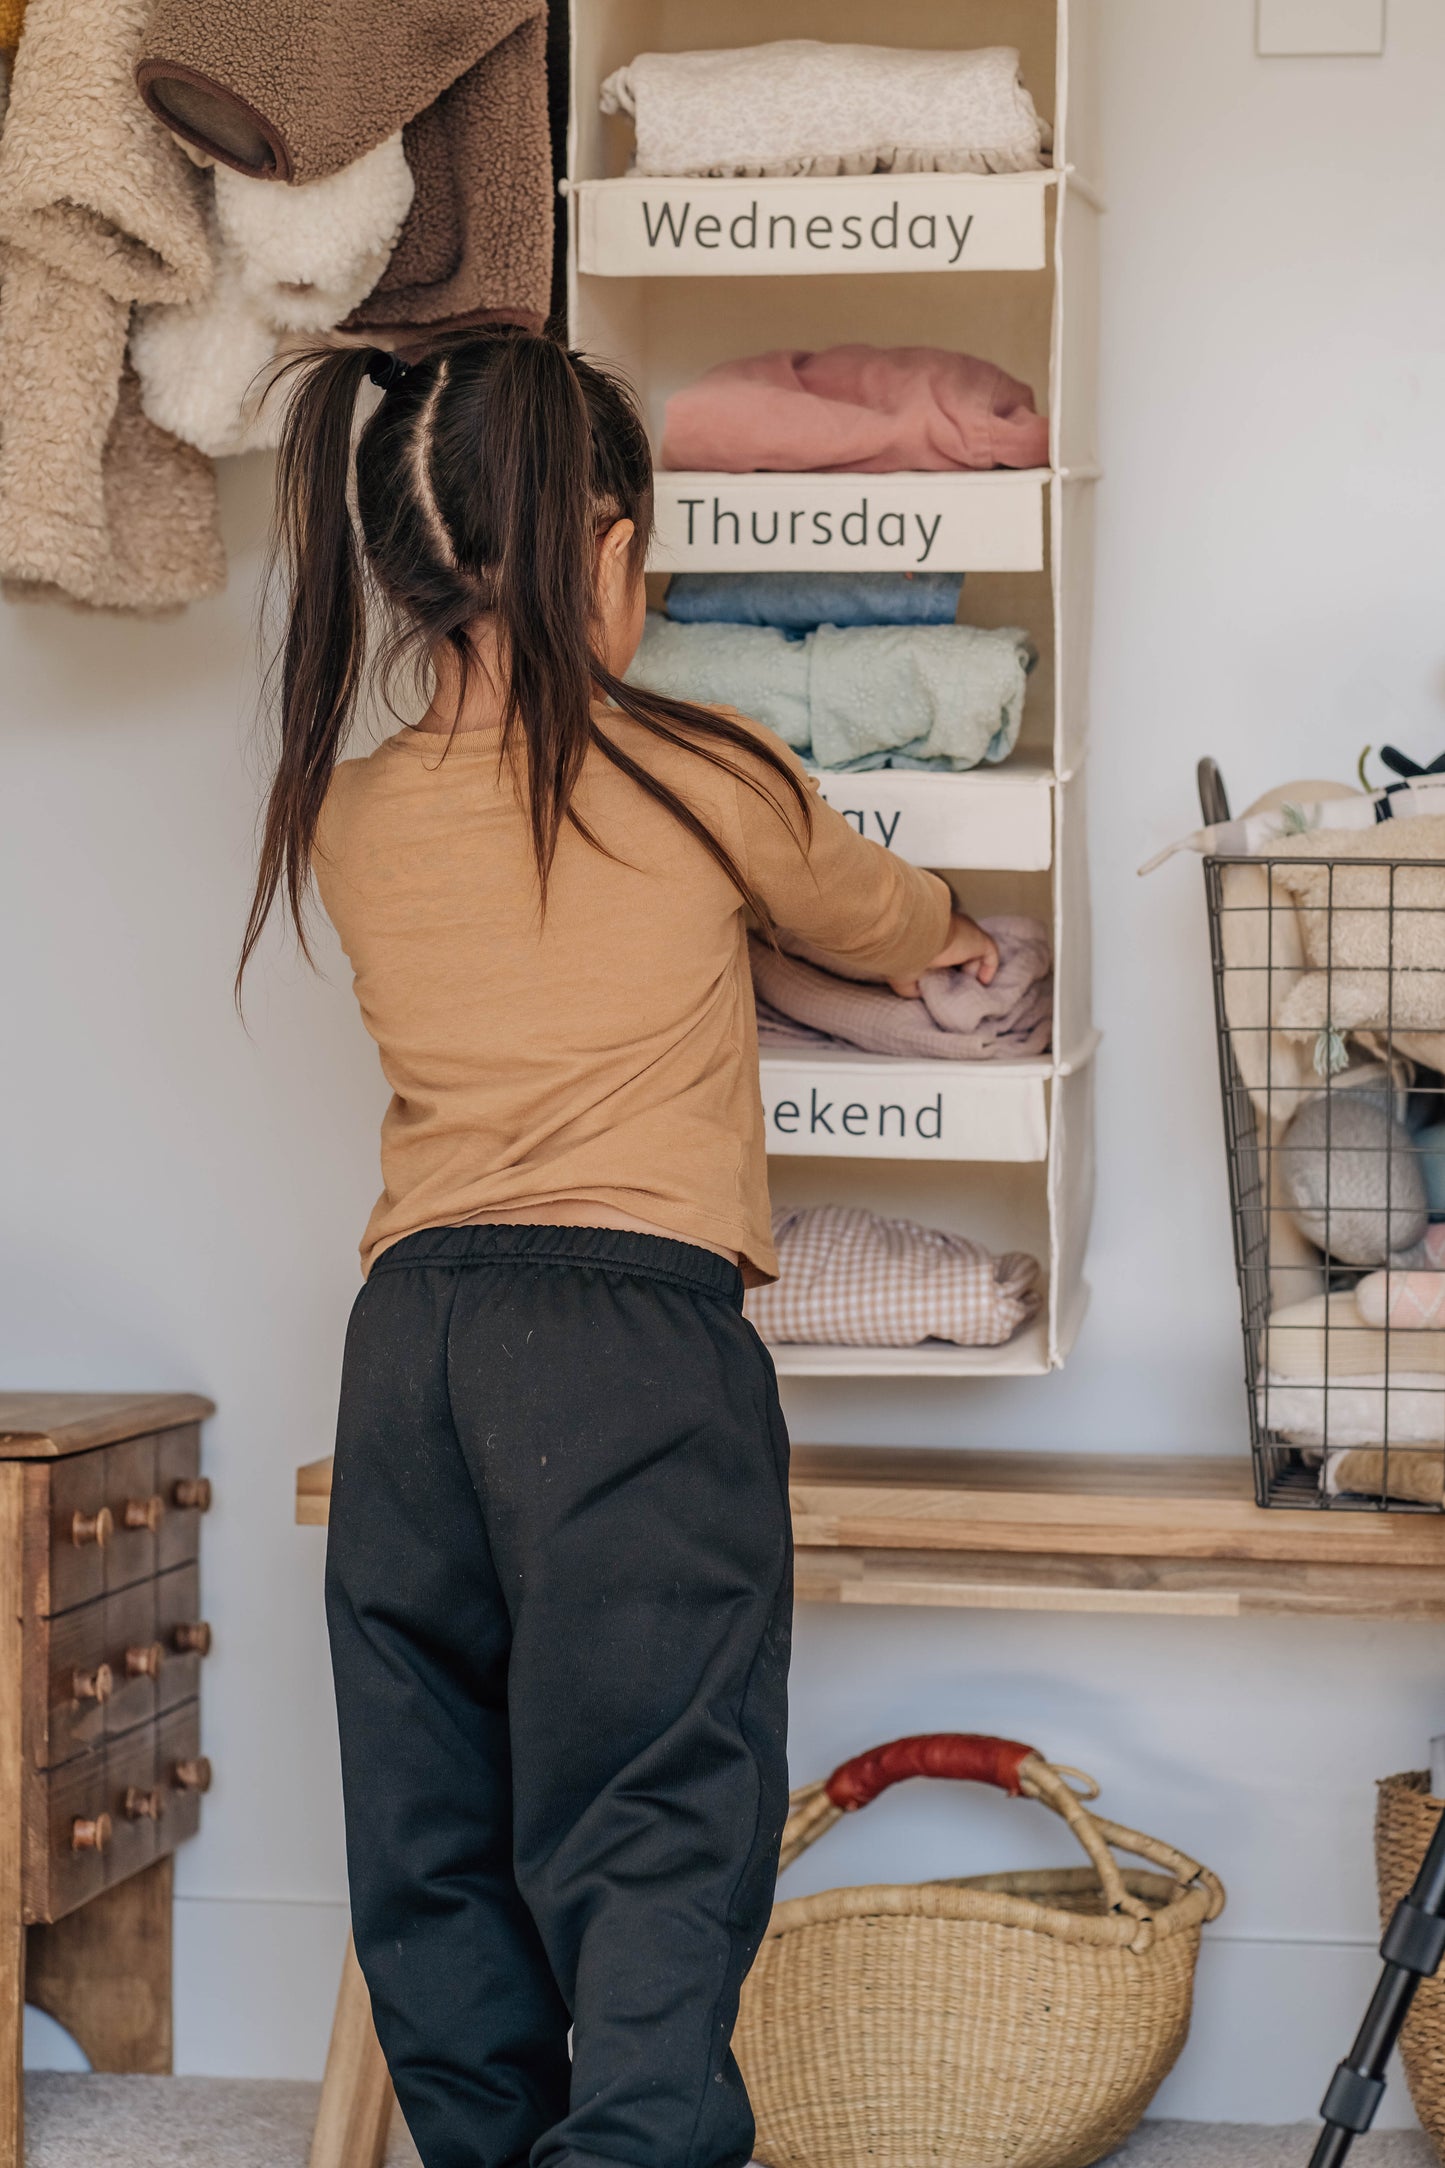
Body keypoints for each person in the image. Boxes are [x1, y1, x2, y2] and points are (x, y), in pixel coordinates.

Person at [241, 326, 998, 2168]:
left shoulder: (346, 815)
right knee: (651, 1817)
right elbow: (889, 914)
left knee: (434, 1832)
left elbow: (552, 947)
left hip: (411, 1348)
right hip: (631, 1349)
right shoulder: (699, 773)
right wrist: (947, 946)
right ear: (598, 548)